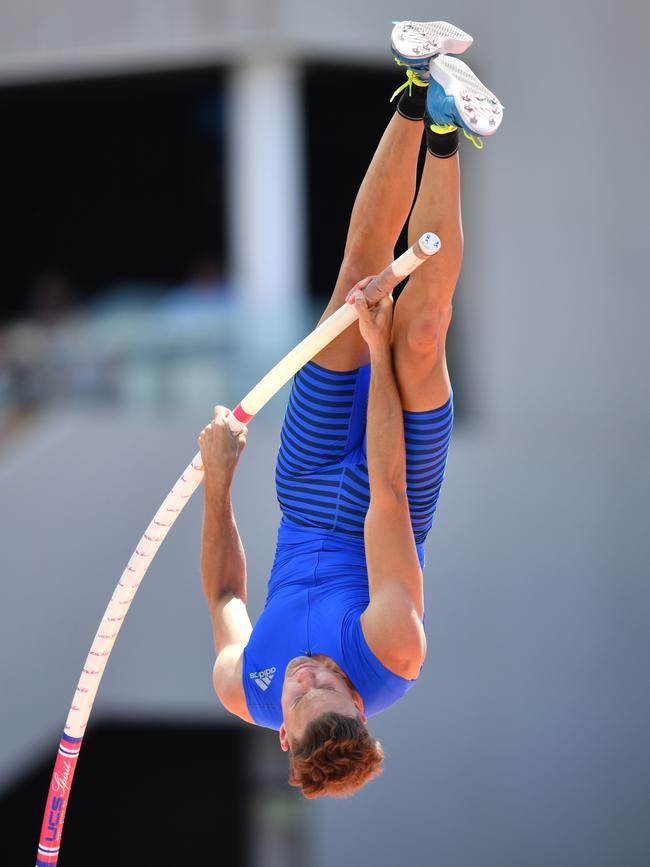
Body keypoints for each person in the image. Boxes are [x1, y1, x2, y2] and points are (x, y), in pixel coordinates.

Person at [198, 19, 503, 798]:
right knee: (421, 334)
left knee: (352, 284)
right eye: (318, 686)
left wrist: (218, 483)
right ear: (358, 706)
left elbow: (229, 594)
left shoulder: (250, 691)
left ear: (284, 732)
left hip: (303, 483)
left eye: (294, 699)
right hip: (386, 483)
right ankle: (444, 129)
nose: (301, 679)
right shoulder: (394, 653)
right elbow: (391, 493)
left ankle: (411, 88)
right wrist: (376, 350)